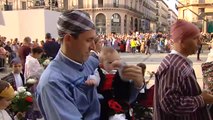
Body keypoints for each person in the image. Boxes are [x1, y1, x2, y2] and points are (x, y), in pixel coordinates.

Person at [36, 10, 143, 120]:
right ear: (68, 39)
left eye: (94, 40)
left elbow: (109, 63)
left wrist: (134, 79)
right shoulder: (53, 83)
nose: (93, 47)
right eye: (88, 40)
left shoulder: (86, 62)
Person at [154, 19, 213, 120]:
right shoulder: (172, 67)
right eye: (195, 38)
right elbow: (170, 104)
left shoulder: (178, 63)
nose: (200, 42)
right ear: (182, 41)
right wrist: (201, 99)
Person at [85, 47, 143, 120]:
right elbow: (95, 78)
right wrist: (92, 81)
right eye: (110, 62)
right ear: (102, 65)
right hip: (106, 104)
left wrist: (137, 81)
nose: (115, 64)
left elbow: (131, 87)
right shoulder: (100, 72)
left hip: (121, 102)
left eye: (118, 61)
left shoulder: (121, 72)